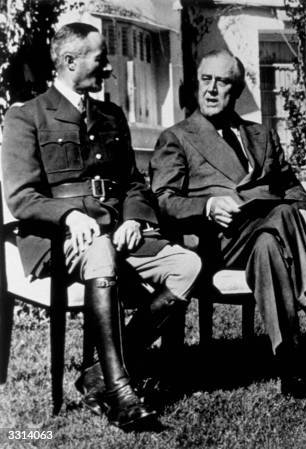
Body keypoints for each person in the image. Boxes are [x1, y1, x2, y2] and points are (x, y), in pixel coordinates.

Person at [1, 22, 202, 428]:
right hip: (58, 239)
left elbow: (132, 182)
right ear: (70, 61)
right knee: (100, 248)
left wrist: (133, 219)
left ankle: (97, 375)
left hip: (113, 231)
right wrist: (71, 215)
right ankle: (121, 392)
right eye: (100, 58)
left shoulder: (111, 115)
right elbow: (21, 196)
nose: (108, 67)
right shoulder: (28, 116)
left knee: (187, 265)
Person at [150, 49, 306, 400]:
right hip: (219, 241)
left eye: (222, 82)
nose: (211, 90)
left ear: (237, 90)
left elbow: (290, 186)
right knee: (283, 217)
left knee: (275, 236)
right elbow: (164, 201)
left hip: (267, 237)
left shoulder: (260, 134)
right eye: (205, 80)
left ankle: (290, 367)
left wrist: (302, 208)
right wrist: (207, 205)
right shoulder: (177, 137)